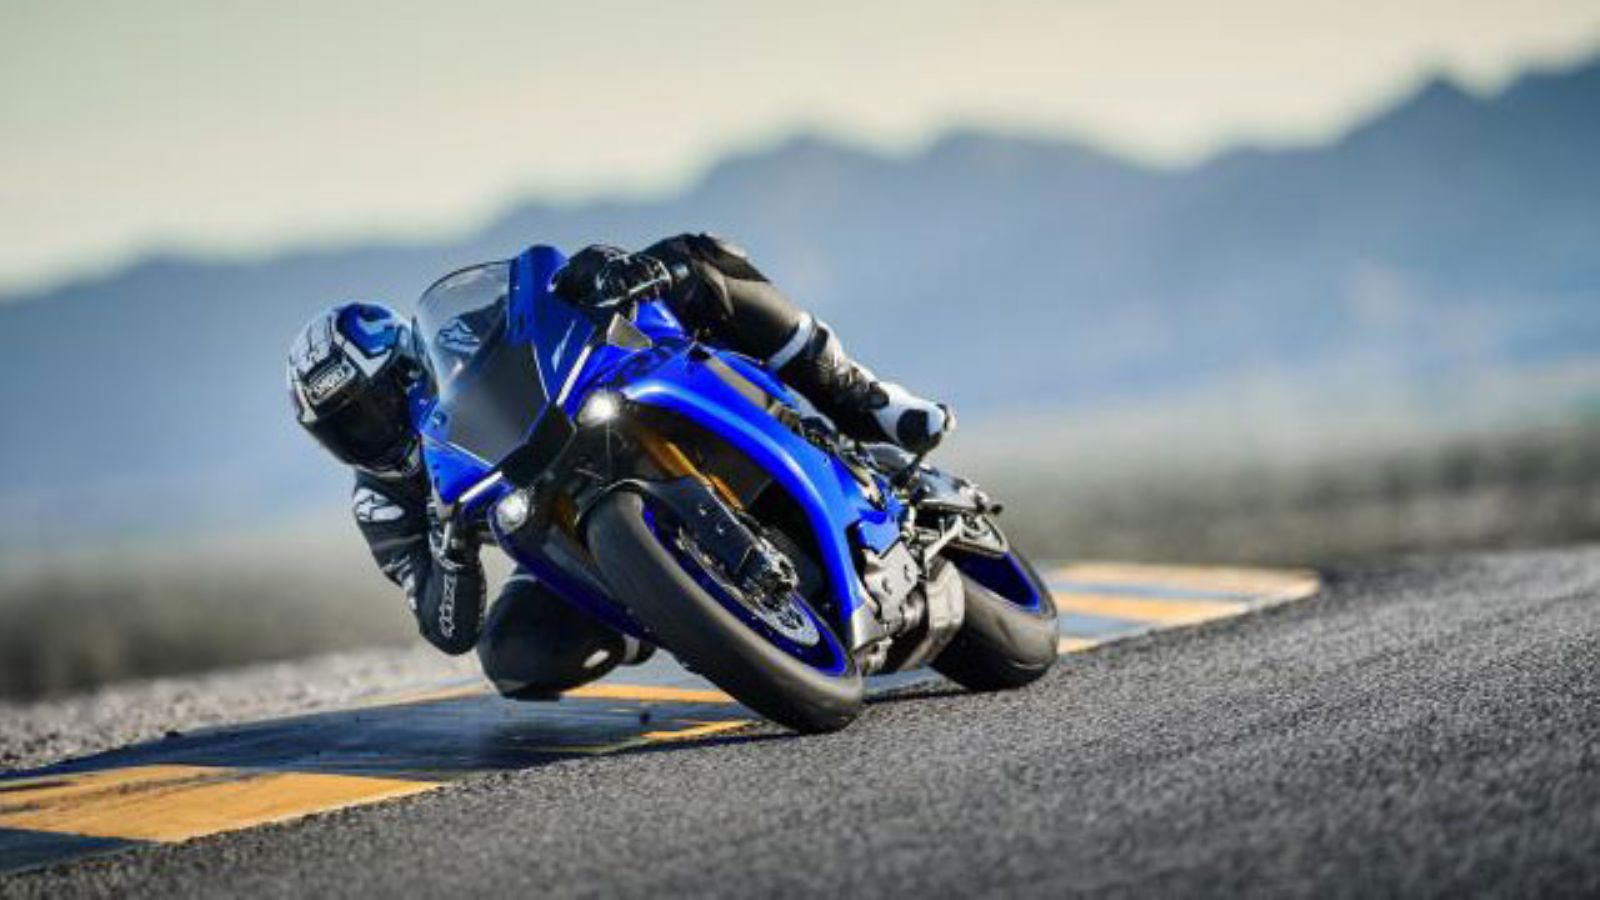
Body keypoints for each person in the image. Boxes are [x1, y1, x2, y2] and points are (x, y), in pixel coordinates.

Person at [287, 234, 953, 698]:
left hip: (601, 411)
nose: (365, 436)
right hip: (556, 526)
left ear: (406, 369)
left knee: (694, 259)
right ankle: (671, 612)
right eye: (341, 431)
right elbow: (445, 629)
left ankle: (869, 401)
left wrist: (599, 271)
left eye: (369, 409)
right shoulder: (382, 501)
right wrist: (452, 549)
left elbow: (539, 305)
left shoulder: (461, 339)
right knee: (513, 658)